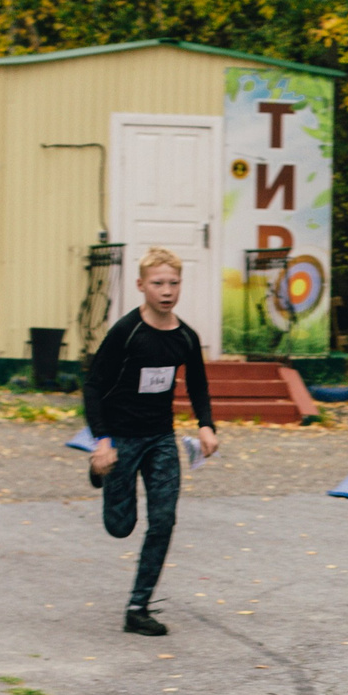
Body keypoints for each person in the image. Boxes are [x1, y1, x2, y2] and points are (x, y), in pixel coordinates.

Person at [81, 247, 218, 635]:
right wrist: (103, 441)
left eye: (173, 283)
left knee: (163, 519)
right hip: (120, 438)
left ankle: (138, 607)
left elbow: (198, 385)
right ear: (141, 286)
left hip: (160, 438)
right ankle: (100, 470)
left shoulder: (185, 337)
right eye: (158, 283)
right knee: (120, 527)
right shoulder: (127, 333)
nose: (166, 290)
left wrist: (206, 425)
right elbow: (93, 386)